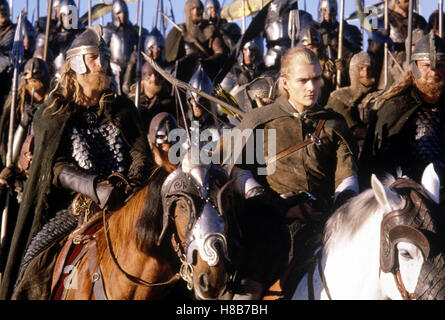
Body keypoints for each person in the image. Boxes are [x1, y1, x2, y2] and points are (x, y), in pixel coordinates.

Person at [0, 25, 154, 300]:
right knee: (35, 266)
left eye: (104, 57)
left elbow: (141, 153)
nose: (103, 64)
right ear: (77, 63)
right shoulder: (53, 112)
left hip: (126, 202)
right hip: (74, 207)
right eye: (95, 57)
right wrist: (95, 188)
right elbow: (54, 167)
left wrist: (131, 183)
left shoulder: (122, 109)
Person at [228, 47, 359, 299]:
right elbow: (238, 171)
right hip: (267, 226)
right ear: (285, 82)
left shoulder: (335, 123)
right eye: (303, 80)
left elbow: (347, 176)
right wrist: (273, 205)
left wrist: (339, 213)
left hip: (322, 223)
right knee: (247, 293)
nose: (312, 87)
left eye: (317, 78)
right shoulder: (259, 121)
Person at [361, 31, 445, 197]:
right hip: (409, 196)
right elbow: (376, 164)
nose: (434, 72)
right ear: (415, 68)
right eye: (426, 66)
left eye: (440, 66)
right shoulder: (395, 108)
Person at [165, 0, 228, 81]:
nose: (196, 11)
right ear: (188, 11)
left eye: (199, 8)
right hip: (185, 76)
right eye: (193, 9)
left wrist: (206, 62)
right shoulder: (178, 31)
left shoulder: (210, 29)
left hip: (207, 74)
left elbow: (220, 52)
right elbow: (170, 59)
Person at [326, 52, 377, 150]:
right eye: (361, 69)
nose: (365, 73)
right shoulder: (339, 97)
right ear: (354, 71)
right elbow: (351, 128)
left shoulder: (378, 96)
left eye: (369, 69)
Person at [129, 61, 176, 134]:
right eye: (149, 75)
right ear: (142, 79)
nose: (154, 79)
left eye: (157, 75)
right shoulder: (132, 101)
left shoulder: (169, 103)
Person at [103, 0, 139, 95]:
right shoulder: (108, 30)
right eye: (119, 13)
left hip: (130, 68)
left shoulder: (134, 31)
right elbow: (102, 51)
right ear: (114, 14)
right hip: (114, 68)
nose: (122, 15)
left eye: (125, 12)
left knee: (130, 95)